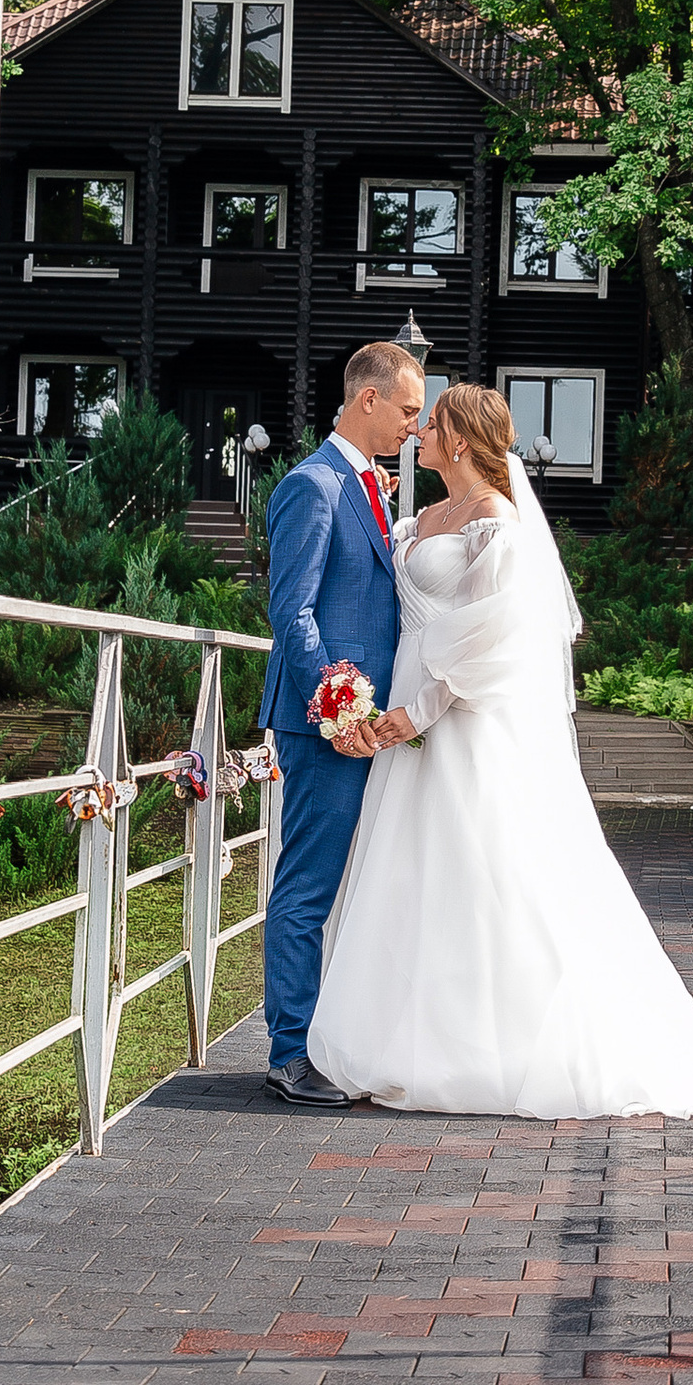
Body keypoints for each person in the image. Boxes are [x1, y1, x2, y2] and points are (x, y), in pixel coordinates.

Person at [305, 383, 693, 1120]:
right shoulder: (421, 518)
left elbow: (497, 638)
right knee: (409, 871)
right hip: (406, 707)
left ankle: (492, 1046)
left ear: (458, 439)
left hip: (461, 717)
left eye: (431, 422)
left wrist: (415, 712)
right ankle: (408, 1033)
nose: (419, 430)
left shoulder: (499, 523)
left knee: (486, 872)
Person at [253, 338, 424, 1106]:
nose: (415, 425)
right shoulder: (311, 485)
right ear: (368, 399)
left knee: (357, 887)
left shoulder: (366, 485)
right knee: (308, 886)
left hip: (372, 724)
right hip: (328, 725)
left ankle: (332, 1038)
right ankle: (289, 1054)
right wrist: (338, 711)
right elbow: (292, 612)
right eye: (408, 410)